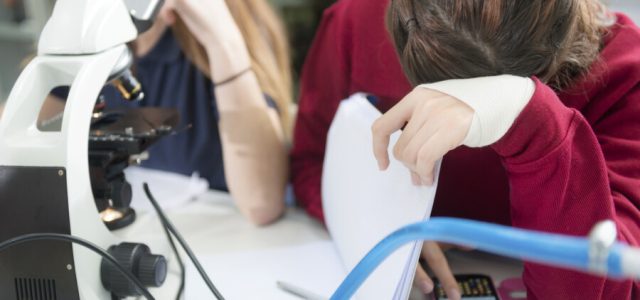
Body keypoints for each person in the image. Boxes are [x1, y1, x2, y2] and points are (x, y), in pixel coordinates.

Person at [292, 0, 640, 299]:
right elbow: (311, 162)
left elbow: (612, 284)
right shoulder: (354, 21)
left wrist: (536, 124)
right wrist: (380, 226)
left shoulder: (624, 71)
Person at [39, 0, 292, 226]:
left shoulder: (224, 28)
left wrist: (223, 42)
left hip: (225, 242)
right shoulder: (98, 34)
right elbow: (37, 151)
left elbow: (262, 203)